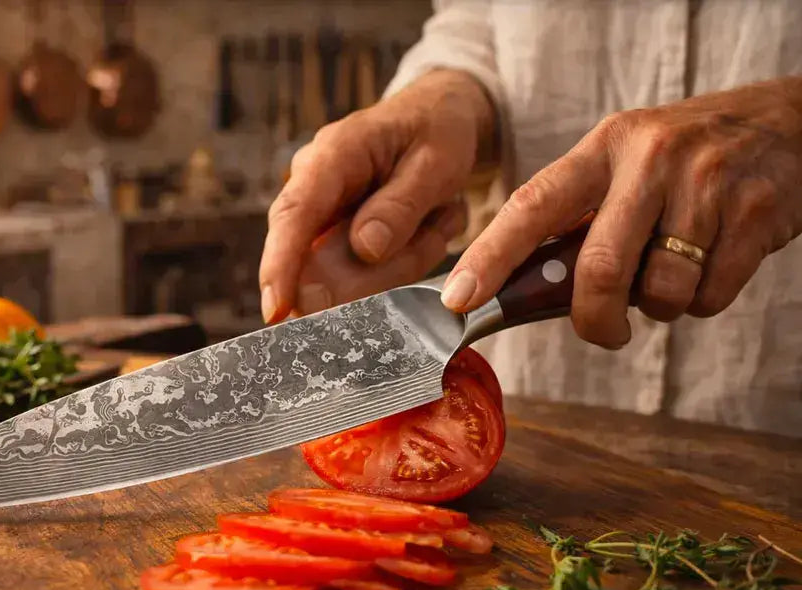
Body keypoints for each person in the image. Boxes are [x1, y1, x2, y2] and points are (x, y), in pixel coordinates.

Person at [258, 0, 802, 437]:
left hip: (773, 412)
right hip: (539, 410)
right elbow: (477, 19)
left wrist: (791, 120)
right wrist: (448, 96)